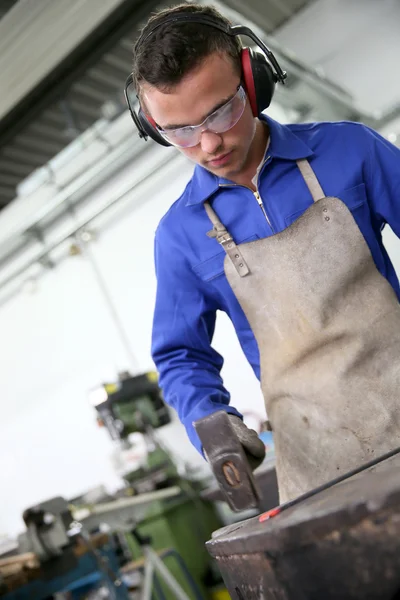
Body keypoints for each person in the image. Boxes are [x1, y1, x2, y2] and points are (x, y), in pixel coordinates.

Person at [128, 3, 400, 502]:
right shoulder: (180, 236)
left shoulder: (350, 151)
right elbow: (181, 355)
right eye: (180, 132)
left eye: (221, 113)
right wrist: (211, 424)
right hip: (321, 474)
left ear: (253, 82)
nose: (208, 144)